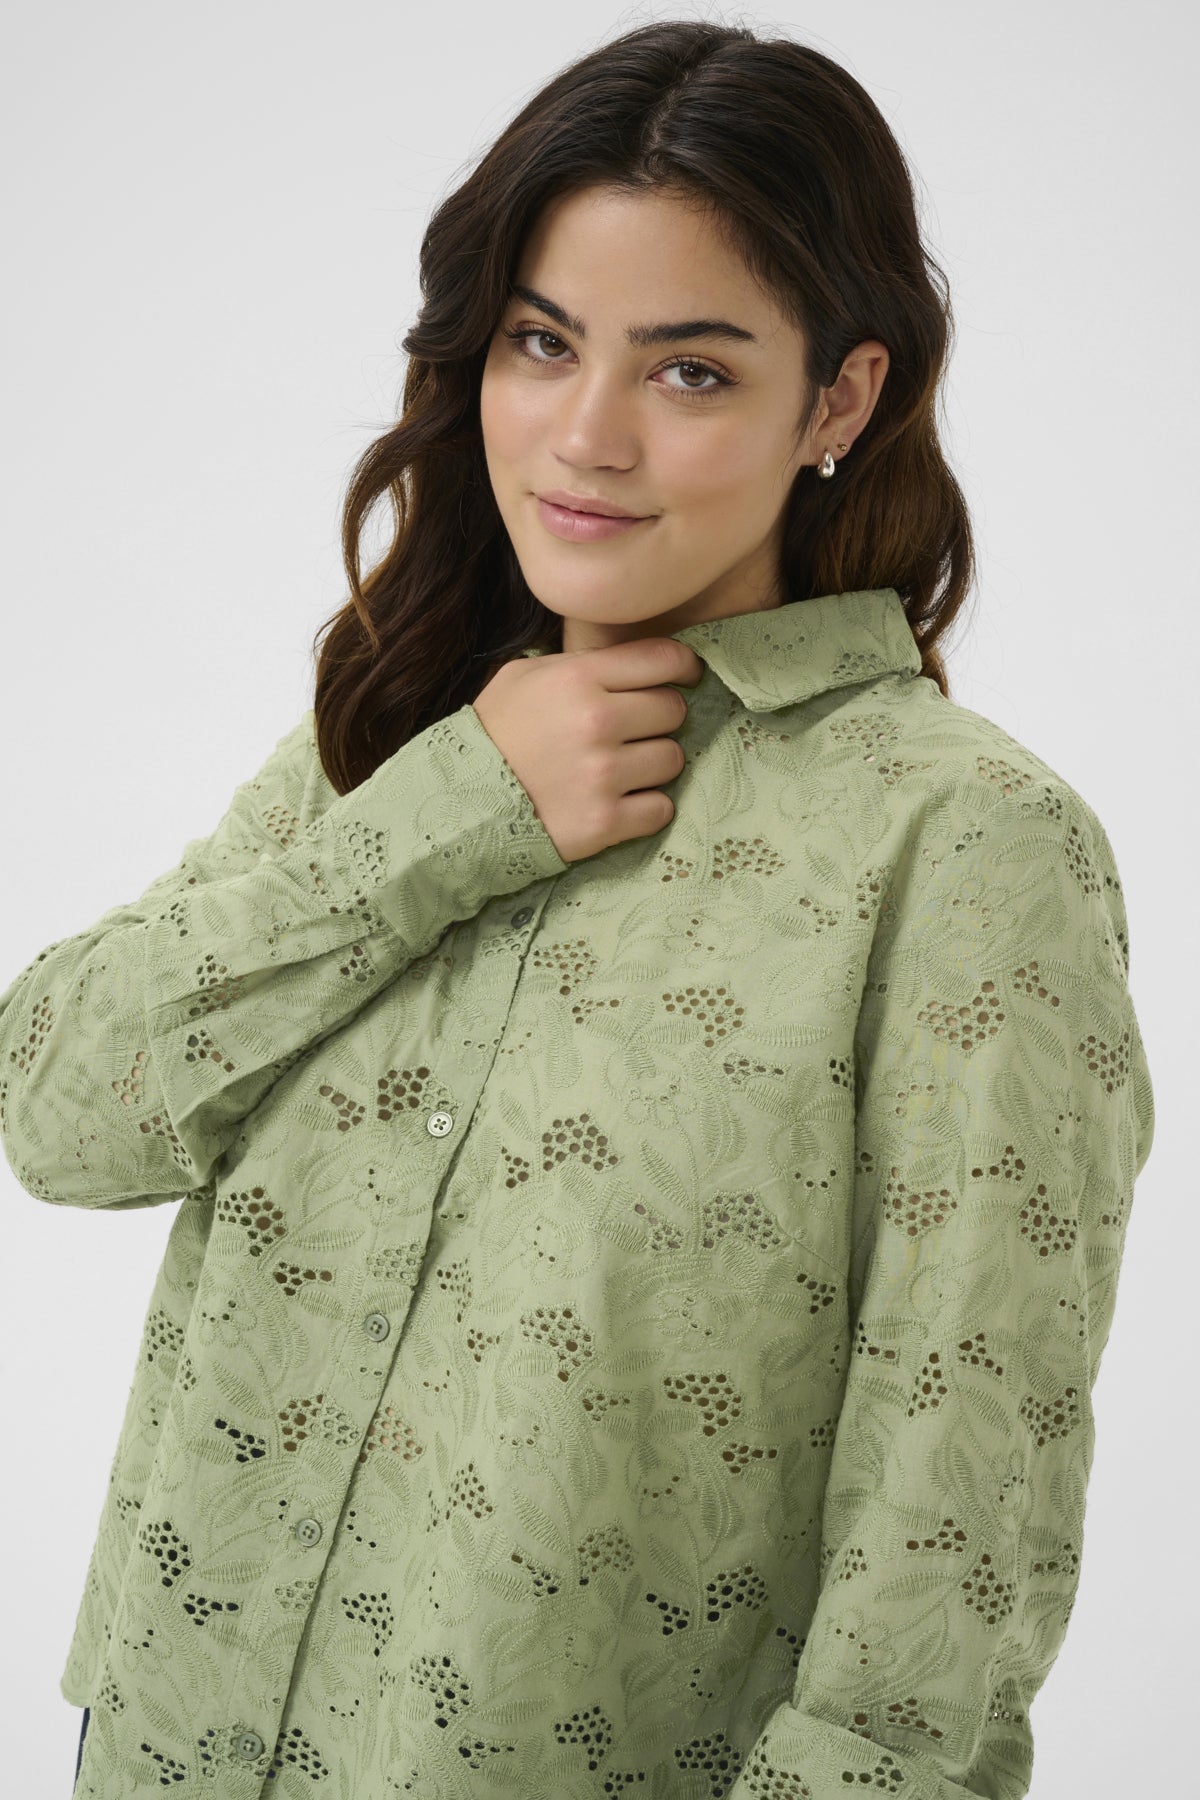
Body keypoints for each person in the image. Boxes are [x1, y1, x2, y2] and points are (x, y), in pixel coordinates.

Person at [1, 19, 1154, 1800]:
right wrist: (450, 815)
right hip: (164, 1744)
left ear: (838, 403)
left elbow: (955, 1534)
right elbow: (56, 1113)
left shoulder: (966, 850)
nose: (588, 438)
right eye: (543, 343)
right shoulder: (398, 736)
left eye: (690, 371)